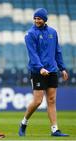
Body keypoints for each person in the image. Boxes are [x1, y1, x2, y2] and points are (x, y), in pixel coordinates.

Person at [18, 8, 69, 137]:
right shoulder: (30, 34)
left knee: (51, 100)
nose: (36, 21)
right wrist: (40, 68)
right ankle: (24, 122)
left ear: (44, 19)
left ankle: (54, 129)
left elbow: (57, 51)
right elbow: (32, 54)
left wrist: (62, 68)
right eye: (35, 18)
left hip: (52, 70)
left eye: (39, 18)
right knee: (37, 101)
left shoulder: (53, 32)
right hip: (37, 71)